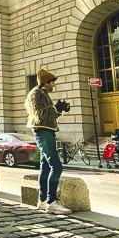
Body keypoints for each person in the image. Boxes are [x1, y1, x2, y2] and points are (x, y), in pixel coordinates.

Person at [24, 69, 71, 214]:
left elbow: (48, 114)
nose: (54, 85)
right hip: (43, 132)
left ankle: (42, 201)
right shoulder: (36, 94)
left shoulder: (42, 94)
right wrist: (56, 108)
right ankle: (51, 202)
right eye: (52, 82)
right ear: (45, 82)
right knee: (56, 167)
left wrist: (59, 109)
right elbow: (40, 115)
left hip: (46, 131)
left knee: (44, 167)